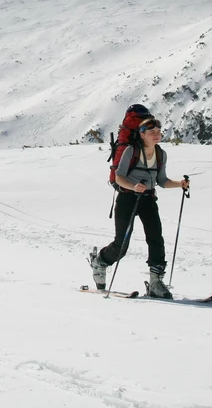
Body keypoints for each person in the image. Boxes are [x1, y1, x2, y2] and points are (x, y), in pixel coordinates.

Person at [89, 112, 190, 298]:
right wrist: (134, 186)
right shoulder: (132, 151)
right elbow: (119, 177)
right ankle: (100, 261)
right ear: (142, 133)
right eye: (152, 131)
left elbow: (161, 180)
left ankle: (156, 282)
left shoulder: (161, 154)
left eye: (158, 131)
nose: (157, 134)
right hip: (127, 198)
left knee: (156, 239)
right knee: (121, 245)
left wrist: (179, 184)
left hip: (148, 199)